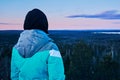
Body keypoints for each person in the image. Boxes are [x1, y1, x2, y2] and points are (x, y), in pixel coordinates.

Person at [11, 8, 65, 80]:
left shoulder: (16, 49)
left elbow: (14, 76)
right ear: (44, 24)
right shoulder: (52, 48)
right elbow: (57, 77)